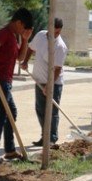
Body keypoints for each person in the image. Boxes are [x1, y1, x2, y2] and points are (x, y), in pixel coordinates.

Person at [0, 8, 33, 164]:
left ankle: (10, 150)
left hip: (5, 81)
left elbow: (20, 58)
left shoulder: (14, 37)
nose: (23, 31)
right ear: (18, 22)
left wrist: (25, 40)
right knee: (0, 116)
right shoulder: (4, 33)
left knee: (10, 112)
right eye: (23, 28)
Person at [23, 17, 66, 148]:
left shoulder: (60, 46)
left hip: (54, 83)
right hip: (39, 81)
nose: (56, 34)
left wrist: (49, 85)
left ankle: (52, 139)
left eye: (58, 32)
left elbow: (57, 69)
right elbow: (31, 48)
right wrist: (25, 61)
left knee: (52, 111)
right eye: (54, 31)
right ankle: (44, 136)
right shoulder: (41, 35)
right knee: (40, 110)